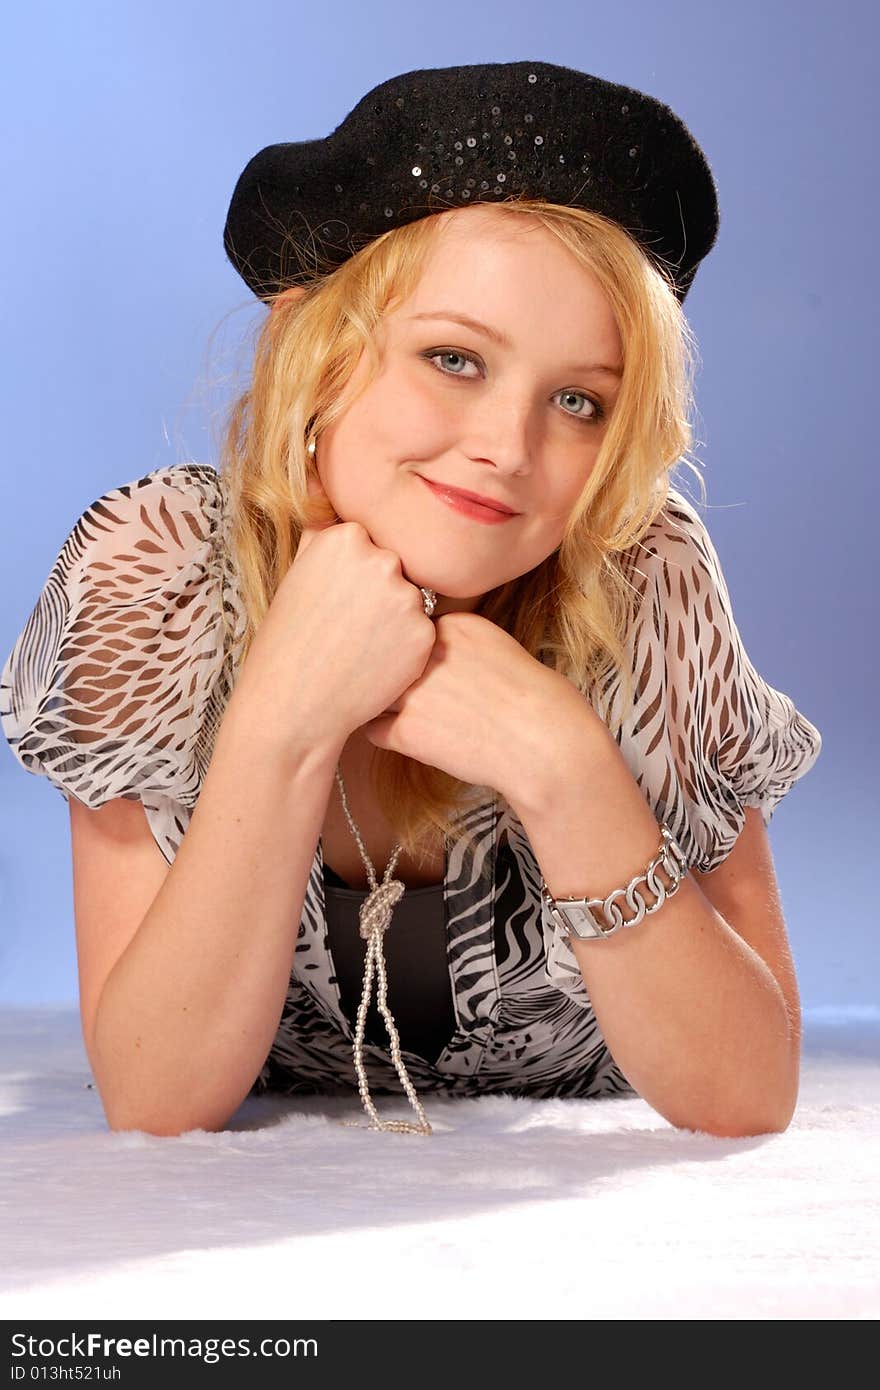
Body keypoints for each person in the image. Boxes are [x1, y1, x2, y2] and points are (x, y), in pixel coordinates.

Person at [0, 61, 822, 1140]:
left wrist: (565, 768)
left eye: (578, 401)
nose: (505, 448)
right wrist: (284, 718)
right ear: (317, 352)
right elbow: (156, 1095)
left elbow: (745, 1094)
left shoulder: (645, 572)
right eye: (454, 358)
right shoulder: (154, 570)